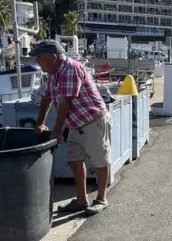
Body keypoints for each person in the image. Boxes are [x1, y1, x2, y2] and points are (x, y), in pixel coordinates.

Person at [31, 39, 112, 216]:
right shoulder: (52, 73)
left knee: (100, 160)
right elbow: (47, 98)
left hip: (93, 120)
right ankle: (81, 200)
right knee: (74, 161)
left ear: (52, 57)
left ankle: (101, 198)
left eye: (39, 58)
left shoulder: (71, 68)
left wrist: (57, 130)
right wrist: (40, 123)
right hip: (76, 124)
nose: (37, 62)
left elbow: (65, 103)